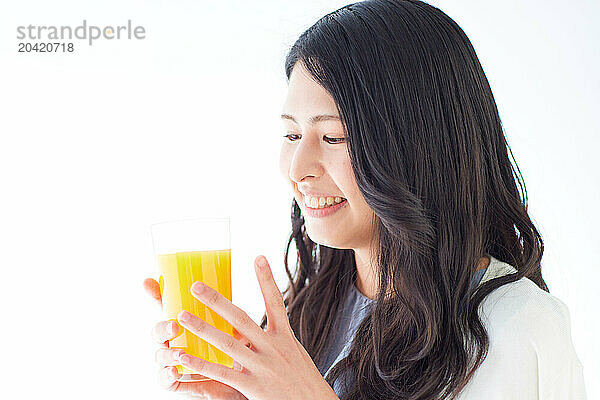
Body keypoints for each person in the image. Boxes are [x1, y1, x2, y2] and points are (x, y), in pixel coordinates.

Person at [144, 0, 588, 398]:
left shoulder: (521, 328)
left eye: (333, 136)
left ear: (419, 143)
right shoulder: (312, 311)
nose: (299, 169)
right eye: (292, 134)